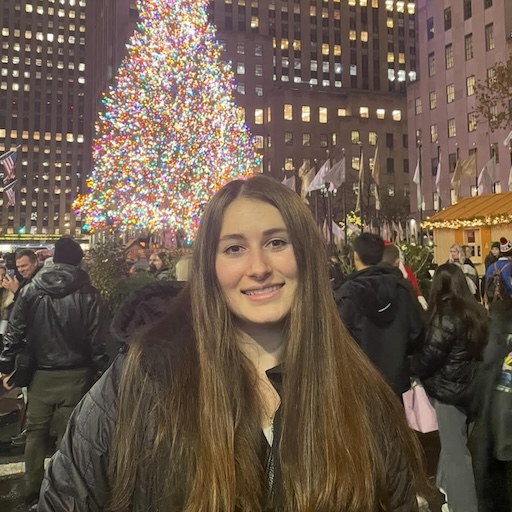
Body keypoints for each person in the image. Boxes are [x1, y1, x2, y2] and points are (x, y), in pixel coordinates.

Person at [38, 176, 425, 511]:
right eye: (234, 248)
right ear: (210, 266)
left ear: (306, 257)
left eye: (276, 243)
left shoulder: (363, 395)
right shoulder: (141, 380)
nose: (258, 268)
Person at [0, 237, 108, 508]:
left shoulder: (32, 289)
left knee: (35, 433)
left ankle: (31, 490)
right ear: (78, 260)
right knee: (69, 437)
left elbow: (15, 331)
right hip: (77, 375)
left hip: (41, 375)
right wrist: (102, 372)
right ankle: (62, 491)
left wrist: (6, 365)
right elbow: (97, 340)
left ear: (54, 259)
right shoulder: (88, 293)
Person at [411, 263, 488, 512]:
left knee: (456, 454)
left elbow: (429, 358)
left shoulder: (444, 317)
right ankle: (446, 491)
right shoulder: (477, 312)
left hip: (449, 393)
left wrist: (409, 367)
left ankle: (464, 505)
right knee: (455, 445)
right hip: (473, 390)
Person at [336, 233, 426, 397]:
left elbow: (338, 343)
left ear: (355, 256)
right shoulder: (402, 289)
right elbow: (418, 332)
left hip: (361, 385)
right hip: (397, 382)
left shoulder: (347, 294)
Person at [484, 237, 512, 303]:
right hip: (507, 301)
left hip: (492, 299)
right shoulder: (510, 265)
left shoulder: (491, 266)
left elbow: (487, 281)